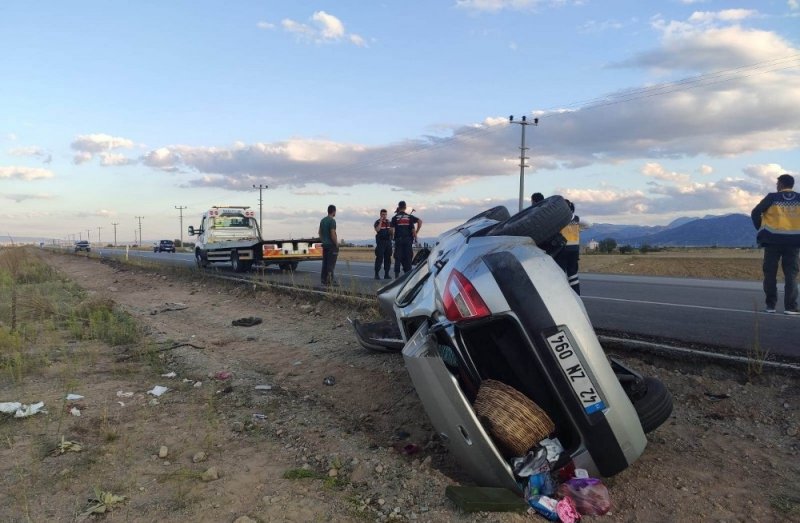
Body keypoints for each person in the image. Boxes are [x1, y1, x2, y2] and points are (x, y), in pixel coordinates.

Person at [751, 173, 800, 314]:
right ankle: (791, 307)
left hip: (772, 240)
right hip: (794, 242)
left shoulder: (772, 197)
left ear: (781, 184)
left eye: (777, 183)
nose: (776, 186)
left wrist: (761, 228)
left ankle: (770, 306)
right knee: (791, 275)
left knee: (770, 274)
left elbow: (756, 212)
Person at [554, 199, 581, 295]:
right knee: (573, 275)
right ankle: (577, 295)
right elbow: (589, 224)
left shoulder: (559, 219)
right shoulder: (576, 219)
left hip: (562, 250)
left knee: (560, 273)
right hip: (574, 251)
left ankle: (562, 295)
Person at [390, 200, 422, 278]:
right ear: (405, 207)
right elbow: (418, 223)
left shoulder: (394, 218)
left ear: (398, 207)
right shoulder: (409, 217)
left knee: (397, 257)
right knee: (408, 258)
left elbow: (391, 230)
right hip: (408, 241)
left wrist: (392, 237)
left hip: (398, 240)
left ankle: (396, 276)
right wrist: (416, 233)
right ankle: (407, 277)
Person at [318, 204, 338, 286]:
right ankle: (330, 281)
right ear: (333, 211)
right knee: (331, 264)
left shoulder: (323, 220)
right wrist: (336, 244)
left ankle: (323, 279)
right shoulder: (332, 221)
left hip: (325, 245)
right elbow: (333, 234)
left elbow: (319, 233)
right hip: (331, 246)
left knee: (325, 263)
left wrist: (323, 240)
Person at [373, 209, 393, 280]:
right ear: (380, 215)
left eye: (385, 214)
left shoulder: (389, 222)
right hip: (381, 243)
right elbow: (377, 230)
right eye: (383, 214)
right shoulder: (377, 222)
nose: (384, 216)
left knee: (388, 259)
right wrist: (381, 221)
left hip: (388, 242)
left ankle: (386, 274)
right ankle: (376, 274)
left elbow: (392, 232)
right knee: (379, 258)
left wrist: (391, 231)